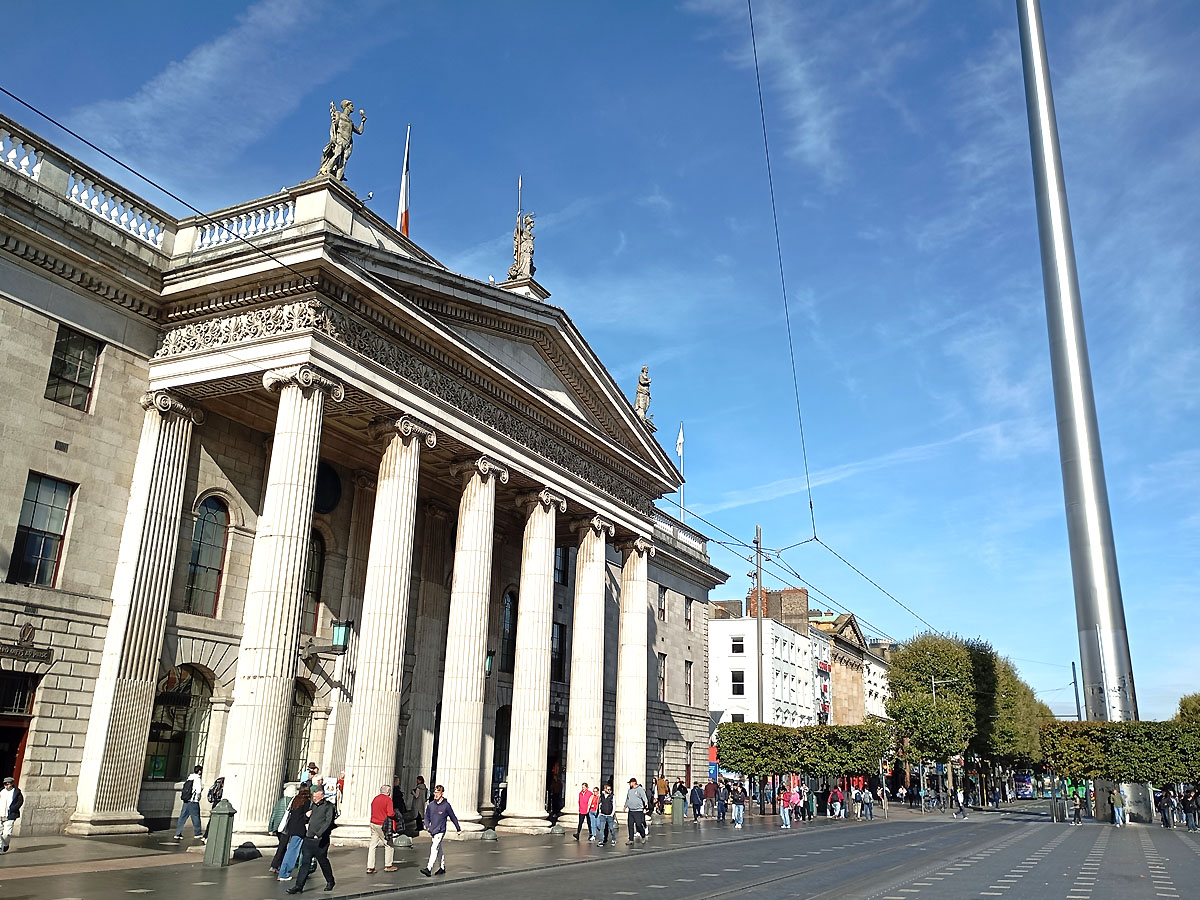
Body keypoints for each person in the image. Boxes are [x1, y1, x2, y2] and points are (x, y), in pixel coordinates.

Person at [286, 786, 336, 894]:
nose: (314, 798)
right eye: (314, 797)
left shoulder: (329, 806)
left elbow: (328, 822)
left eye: (316, 797)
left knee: (323, 861)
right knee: (305, 863)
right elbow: (306, 818)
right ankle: (299, 886)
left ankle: (330, 881)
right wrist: (306, 818)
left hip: (320, 840)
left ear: (322, 796)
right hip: (309, 839)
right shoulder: (313, 805)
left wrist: (319, 834)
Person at [421, 784, 462, 876]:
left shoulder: (446, 806)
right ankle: (442, 867)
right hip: (432, 830)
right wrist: (427, 826)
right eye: (435, 792)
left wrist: (458, 828)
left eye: (437, 792)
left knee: (434, 848)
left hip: (440, 830)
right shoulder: (431, 805)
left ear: (441, 793)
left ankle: (429, 868)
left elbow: (453, 817)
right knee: (439, 849)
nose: (435, 794)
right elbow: (426, 816)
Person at [277, 785, 312, 881]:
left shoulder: (295, 800)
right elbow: (304, 816)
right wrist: (307, 815)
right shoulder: (306, 801)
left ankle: (283, 872)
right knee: (293, 851)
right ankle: (284, 874)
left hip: (292, 828)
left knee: (291, 850)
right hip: (300, 829)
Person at [365, 783, 398, 874]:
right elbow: (390, 813)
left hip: (373, 823)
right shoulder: (388, 800)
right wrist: (396, 815)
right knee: (388, 843)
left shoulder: (375, 798)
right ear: (388, 792)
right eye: (390, 791)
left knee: (373, 845)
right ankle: (388, 865)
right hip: (382, 824)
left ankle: (370, 866)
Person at [268, 784, 298, 874]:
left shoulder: (280, 801)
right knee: (282, 846)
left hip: (278, 827)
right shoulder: (294, 802)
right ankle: (274, 865)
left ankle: (280, 864)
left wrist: (271, 828)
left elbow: (274, 814)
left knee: (283, 845)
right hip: (286, 827)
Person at [174, 765, 205, 841]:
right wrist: (198, 798)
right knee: (195, 816)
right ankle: (198, 833)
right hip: (193, 801)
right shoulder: (197, 779)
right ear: (199, 771)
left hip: (186, 800)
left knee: (182, 817)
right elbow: (198, 790)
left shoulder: (190, 778)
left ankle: (178, 833)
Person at [1, 776, 24, 853]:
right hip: (0, 814)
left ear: (12, 783)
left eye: (8, 784)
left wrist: (13, 808)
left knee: (6, 834)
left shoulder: (16, 792)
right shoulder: (1, 791)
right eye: (5, 784)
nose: (6, 785)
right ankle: (0, 848)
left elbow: (20, 802)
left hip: (10, 816)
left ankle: (6, 844)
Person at [623, 777, 650, 844]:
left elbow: (644, 796)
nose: (629, 784)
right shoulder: (630, 790)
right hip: (631, 810)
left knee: (638, 824)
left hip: (638, 810)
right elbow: (628, 799)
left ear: (634, 782)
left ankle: (643, 835)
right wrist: (625, 806)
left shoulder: (640, 789)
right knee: (630, 825)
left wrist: (646, 803)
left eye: (630, 783)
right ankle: (631, 839)